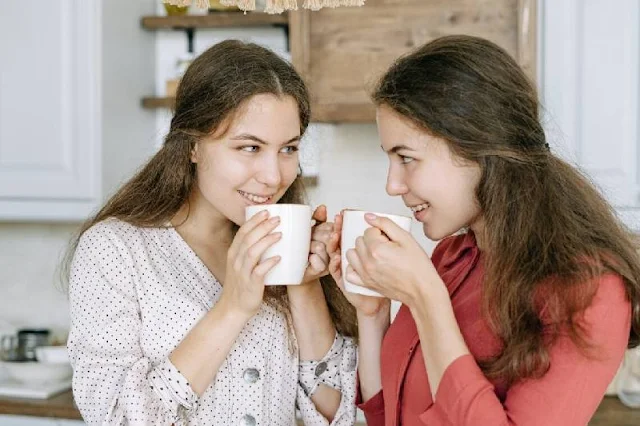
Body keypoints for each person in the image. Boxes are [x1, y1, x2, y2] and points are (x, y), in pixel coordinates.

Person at [327, 35, 640, 426]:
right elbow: (387, 414)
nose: (393, 185)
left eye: (406, 158)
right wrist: (372, 314)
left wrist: (428, 301)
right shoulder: (454, 256)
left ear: (477, 148)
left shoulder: (590, 290)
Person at [65, 40, 358, 426]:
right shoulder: (115, 249)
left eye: (288, 149)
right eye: (250, 147)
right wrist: (232, 307)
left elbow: (336, 409)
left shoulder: (283, 243)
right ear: (192, 146)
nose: (274, 176)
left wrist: (302, 285)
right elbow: (117, 418)